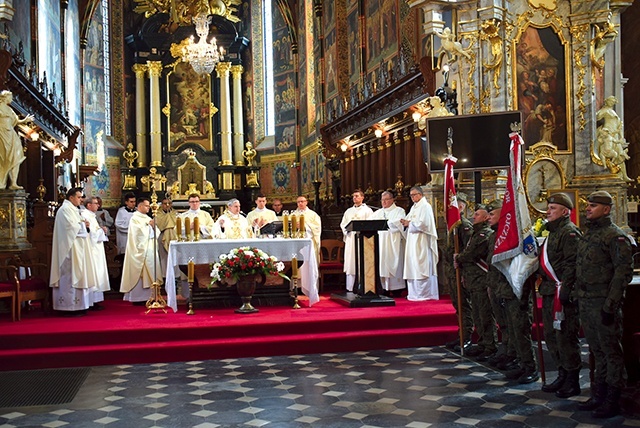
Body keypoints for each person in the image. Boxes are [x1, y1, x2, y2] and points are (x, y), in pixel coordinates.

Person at [575, 191, 634, 418]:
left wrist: (610, 305)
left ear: (606, 209)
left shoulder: (615, 236)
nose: (587, 209)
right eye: (587, 205)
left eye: (592, 206)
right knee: (596, 351)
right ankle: (599, 393)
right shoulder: (588, 234)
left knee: (611, 353)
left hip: (603, 303)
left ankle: (613, 398)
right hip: (587, 301)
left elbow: (622, 273)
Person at [487, 200, 539, 384]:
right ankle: (521, 363)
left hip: (517, 293)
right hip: (505, 290)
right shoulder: (499, 237)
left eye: (493, 215)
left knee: (521, 331)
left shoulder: (517, 237)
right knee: (513, 330)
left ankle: (530, 366)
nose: (488, 218)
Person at [538, 193, 582, 397]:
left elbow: (572, 264)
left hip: (564, 294)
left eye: (553, 208)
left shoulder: (569, 232)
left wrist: (565, 291)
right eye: (548, 207)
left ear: (565, 212)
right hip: (549, 292)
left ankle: (572, 380)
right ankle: (562, 374)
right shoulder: (553, 233)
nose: (548, 211)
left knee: (565, 337)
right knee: (552, 336)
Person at [455, 204, 496, 360]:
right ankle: (482, 343)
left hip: (482, 280)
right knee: (478, 315)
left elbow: (470, 254)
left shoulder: (484, 235)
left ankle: (490, 345)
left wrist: (458, 258)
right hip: (474, 279)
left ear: (486, 217)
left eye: (478, 214)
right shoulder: (475, 233)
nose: (474, 216)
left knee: (485, 315)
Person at [49, 187, 92, 316]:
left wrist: (85, 225)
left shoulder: (74, 210)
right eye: (79, 197)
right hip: (68, 250)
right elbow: (71, 228)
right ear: (71, 197)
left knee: (77, 275)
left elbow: (78, 226)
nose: (81, 200)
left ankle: (79, 305)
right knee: (69, 276)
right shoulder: (65, 210)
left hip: (77, 248)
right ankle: (68, 307)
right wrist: (84, 225)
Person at [443, 192, 473, 351]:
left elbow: (468, 250)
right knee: (457, 304)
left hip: (461, 272)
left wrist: (463, 273)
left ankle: (467, 336)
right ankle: (461, 334)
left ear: (460, 207)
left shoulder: (464, 226)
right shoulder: (453, 226)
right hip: (452, 272)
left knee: (464, 305)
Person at [120, 197, 162, 305]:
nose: (149, 208)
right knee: (140, 273)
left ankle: (151, 296)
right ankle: (138, 298)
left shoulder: (146, 217)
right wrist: (149, 228)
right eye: (147, 206)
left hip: (150, 249)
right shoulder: (135, 218)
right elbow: (137, 235)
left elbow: (157, 233)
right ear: (140, 206)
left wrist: (152, 227)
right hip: (140, 251)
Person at [400, 186, 439, 301]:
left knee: (422, 265)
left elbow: (424, 224)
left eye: (414, 195)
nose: (412, 197)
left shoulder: (425, 206)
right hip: (413, 241)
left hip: (422, 241)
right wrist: (404, 222)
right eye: (411, 195)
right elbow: (409, 220)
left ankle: (425, 294)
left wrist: (409, 223)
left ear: (420, 194)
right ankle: (414, 294)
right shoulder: (415, 207)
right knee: (413, 265)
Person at [370, 191, 406, 296]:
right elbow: (370, 223)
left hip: (393, 243)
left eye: (386, 199)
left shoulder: (399, 210)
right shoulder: (377, 213)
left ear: (392, 200)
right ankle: (383, 288)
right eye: (382, 200)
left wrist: (386, 223)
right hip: (381, 243)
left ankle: (396, 289)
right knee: (382, 263)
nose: (384, 202)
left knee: (394, 263)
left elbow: (399, 222)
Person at [340, 189, 373, 292]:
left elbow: (371, 223)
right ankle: (350, 287)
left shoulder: (367, 211)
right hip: (351, 239)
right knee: (351, 262)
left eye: (357, 196)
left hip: (363, 239)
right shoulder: (348, 211)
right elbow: (343, 224)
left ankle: (363, 285)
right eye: (353, 196)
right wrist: (347, 231)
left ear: (362, 197)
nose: (355, 198)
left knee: (362, 261)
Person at [82, 196, 111, 308]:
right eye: (95, 203)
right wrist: (100, 231)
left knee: (98, 273)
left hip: (97, 249)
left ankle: (96, 300)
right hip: (91, 250)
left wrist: (101, 230)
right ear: (89, 205)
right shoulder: (85, 215)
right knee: (94, 274)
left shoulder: (91, 216)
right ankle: (92, 301)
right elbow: (90, 234)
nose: (98, 205)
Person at [0, 90, 31, 190]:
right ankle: (2, 182)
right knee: (4, 158)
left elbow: (16, 121)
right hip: (2, 133)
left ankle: (13, 182)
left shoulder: (9, 110)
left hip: (11, 134)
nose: (11, 99)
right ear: (5, 97)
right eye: (10, 97)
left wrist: (25, 120)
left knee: (16, 157)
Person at [293, 194, 322, 261]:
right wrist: (295, 226)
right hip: (297, 241)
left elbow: (317, 228)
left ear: (306, 202)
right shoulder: (293, 215)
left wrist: (305, 226)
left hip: (309, 240)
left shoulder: (313, 214)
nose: (300, 203)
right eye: (298, 202)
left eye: (302, 201)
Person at [155, 198, 178, 272]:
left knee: (175, 257)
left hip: (174, 236)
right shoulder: (157, 214)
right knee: (164, 258)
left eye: (169, 203)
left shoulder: (175, 213)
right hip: (163, 236)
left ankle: (176, 276)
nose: (167, 205)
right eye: (165, 203)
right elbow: (159, 225)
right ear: (161, 205)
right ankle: (164, 276)